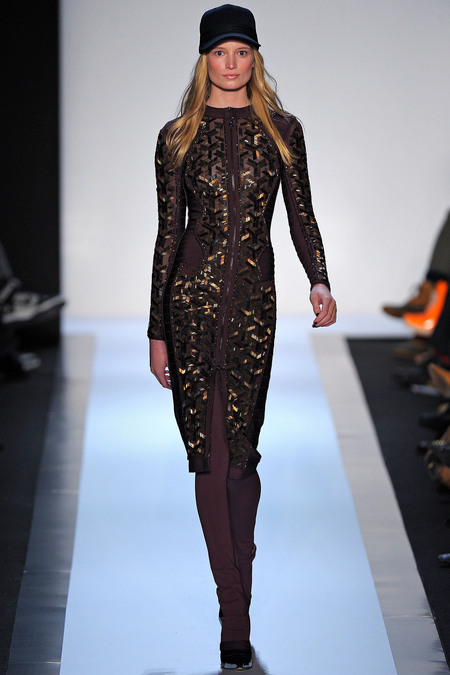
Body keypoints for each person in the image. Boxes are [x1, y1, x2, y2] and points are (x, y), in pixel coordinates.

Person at [148, 4, 336, 670]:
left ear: (256, 58)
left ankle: (239, 592)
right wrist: (157, 332)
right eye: (220, 52)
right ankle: (235, 614)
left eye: (242, 52)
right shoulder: (177, 137)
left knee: (241, 457)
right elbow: (169, 235)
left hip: (255, 306)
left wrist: (320, 278)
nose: (232, 63)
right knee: (207, 454)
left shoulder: (283, 130)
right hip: (191, 308)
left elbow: (301, 214)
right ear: (205, 60)